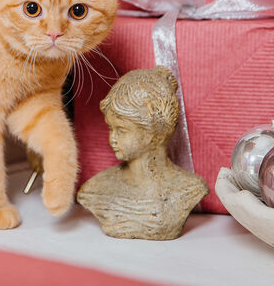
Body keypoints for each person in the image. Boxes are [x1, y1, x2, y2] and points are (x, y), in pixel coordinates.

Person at [77, 67, 208, 240]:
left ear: (154, 132)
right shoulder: (96, 190)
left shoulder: (190, 189)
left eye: (121, 130)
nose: (112, 138)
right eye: (110, 128)